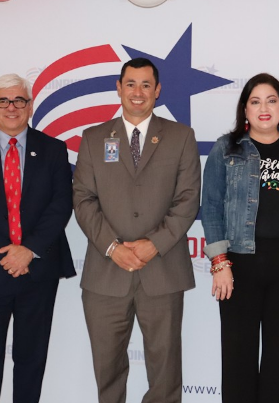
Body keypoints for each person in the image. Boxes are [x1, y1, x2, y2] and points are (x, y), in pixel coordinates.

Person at [73, 57, 201, 403]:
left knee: (165, 374)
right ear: (119, 88)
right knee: (108, 371)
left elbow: (188, 199)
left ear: (157, 91)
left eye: (146, 84)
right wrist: (113, 247)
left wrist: (153, 244)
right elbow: (83, 200)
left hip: (162, 270)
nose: (138, 92)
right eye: (131, 83)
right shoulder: (93, 138)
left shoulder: (181, 137)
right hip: (105, 273)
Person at [201, 73, 279, 402]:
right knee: (238, 356)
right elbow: (210, 206)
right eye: (255, 102)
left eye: (271, 100)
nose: (264, 108)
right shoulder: (226, 149)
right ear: (245, 109)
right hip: (239, 264)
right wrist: (220, 263)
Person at [0, 74, 76, 403]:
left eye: (19, 100)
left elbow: (61, 204)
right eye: (3, 101)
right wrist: (5, 254)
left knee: (31, 361)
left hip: (37, 272)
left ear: (30, 106)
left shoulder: (53, 150)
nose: (12, 107)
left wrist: (29, 250)